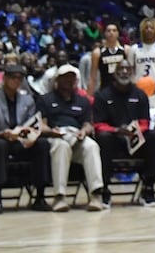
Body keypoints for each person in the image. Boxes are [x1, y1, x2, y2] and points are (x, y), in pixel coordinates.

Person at [0, 63, 52, 213]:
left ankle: (40, 196)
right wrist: (1, 133)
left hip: (21, 140)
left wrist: (29, 134)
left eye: (20, 78)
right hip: (0, 138)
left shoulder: (28, 100)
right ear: (5, 78)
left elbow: (32, 123)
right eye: (13, 78)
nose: (16, 81)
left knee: (42, 144)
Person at [92, 59, 155, 208]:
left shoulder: (140, 95)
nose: (124, 72)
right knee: (103, 138)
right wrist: (117, 130)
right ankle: (104, 189)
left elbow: (145, 122)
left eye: (127, 69)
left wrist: (134, 131)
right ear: (114, 73)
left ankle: (148, 188)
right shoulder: (102, 95)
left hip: (135, 139)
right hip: (113, 139)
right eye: (121, 69)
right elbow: (98, 125)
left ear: (132, 73)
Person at [35, 64, 102, 212]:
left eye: (72, 78)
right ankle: (59, 197)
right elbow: (41, 125)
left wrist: (84, 131)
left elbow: (88, 124)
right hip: (55, 137)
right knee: (61, 146)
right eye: (65, 78)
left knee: (91, 146)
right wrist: (52, 131)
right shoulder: (45, 99)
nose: (69, 81)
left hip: (76, 136)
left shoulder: (82, 101)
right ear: (57, 80)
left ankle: (96, 195)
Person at [131, 18, 155, 88]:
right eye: (146, 28)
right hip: (138, 89)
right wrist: (134, 84)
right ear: (142, 30)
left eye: (152, 28)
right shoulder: (134, 48)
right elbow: (130, 70)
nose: (149, 30)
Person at [90, 23, 128, 94]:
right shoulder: (97, 52)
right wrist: (89, 97)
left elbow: (132, 73)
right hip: (105, 90)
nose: (111, 33)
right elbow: (93, 77)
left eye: (114, 30)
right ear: (104, 33)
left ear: (118, 33)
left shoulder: (126, 50)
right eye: (109, 30)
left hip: (124, 90)